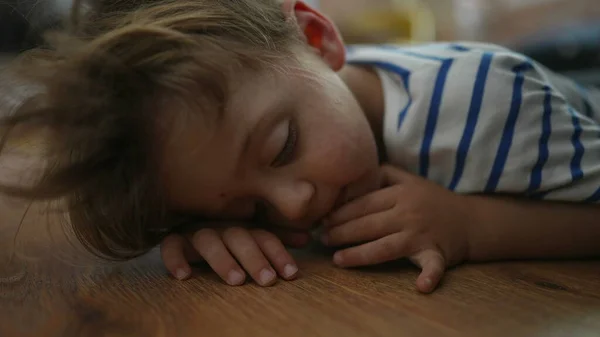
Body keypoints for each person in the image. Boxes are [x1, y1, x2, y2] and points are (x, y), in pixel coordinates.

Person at [1, 0, 600, 294]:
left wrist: (472, 225)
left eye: (283, 147)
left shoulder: (486, 105)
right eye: (245, 210)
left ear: (317, 38)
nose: (291, 209)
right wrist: (203, 236)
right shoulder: (282, 107)